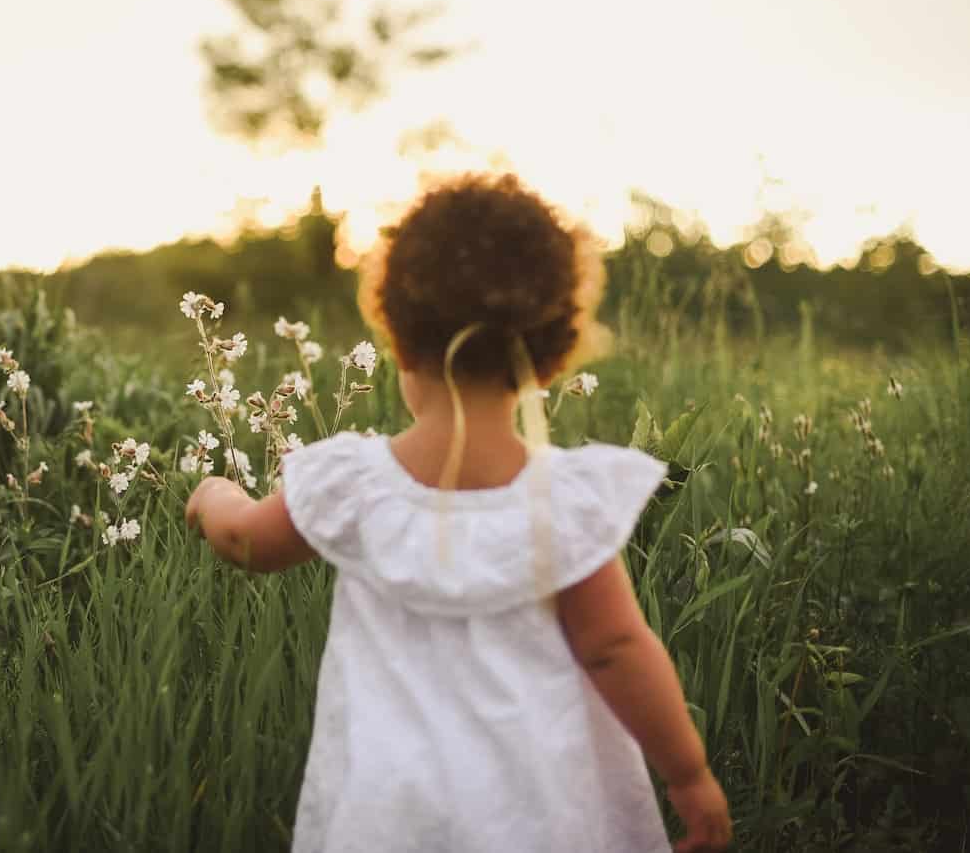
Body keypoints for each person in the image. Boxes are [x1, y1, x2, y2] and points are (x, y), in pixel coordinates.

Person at [185, 173, 732, 852]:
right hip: (541, 814)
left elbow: (244, 541)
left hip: (391, 814)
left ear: (398, 337)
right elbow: (617, 647)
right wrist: (689, 775)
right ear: (548, 359)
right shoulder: (561, 503)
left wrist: (212, 495)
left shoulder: (355, 484)